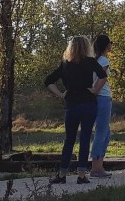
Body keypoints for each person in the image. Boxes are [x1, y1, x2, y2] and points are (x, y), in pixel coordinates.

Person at [45, 36, 108, 184]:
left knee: (69, 139)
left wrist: (61, 94)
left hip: (72, 104)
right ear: (86, 47)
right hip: (88, 102)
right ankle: (81, 175)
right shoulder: (91, 62)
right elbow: (103, 76)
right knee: (85, 138)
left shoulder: (66, 64)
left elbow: (48, 81)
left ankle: (62, 174)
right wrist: (95, 90)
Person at [90, 34, 114, 178]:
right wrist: (95, 91)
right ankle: (96, 167)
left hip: (97, 99)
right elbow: (102, 78)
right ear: (106, 45)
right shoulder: (104, 60)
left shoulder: (94, 60)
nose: (112, 45)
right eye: (111, 43)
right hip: (103, 98)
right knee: (102, 132)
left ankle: (99, 164)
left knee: (105, 132)